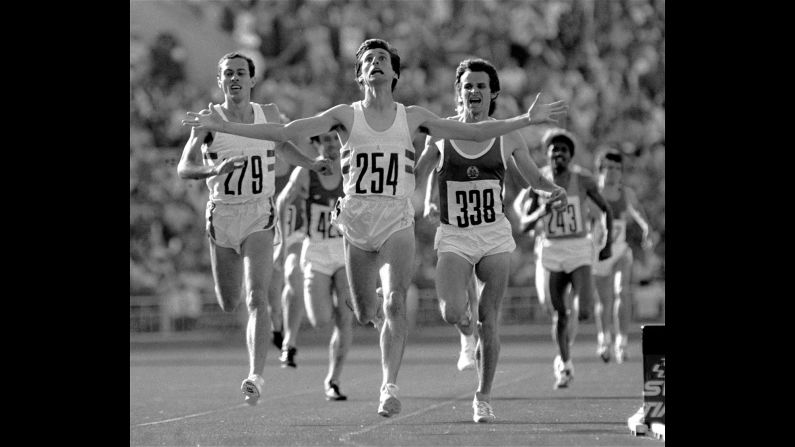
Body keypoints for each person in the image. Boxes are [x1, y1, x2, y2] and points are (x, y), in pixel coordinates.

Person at [183, 39, 568, 416]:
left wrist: (524, 121)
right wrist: (226, 128)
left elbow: (476, 133)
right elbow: (285, 134)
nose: (376, 63)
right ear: (360, 75)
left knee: (394, 300)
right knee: (366, 311)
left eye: (383, 58)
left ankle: (389, 387)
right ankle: (379, 315)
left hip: (397, 217)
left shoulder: (413, 116)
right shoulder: (345, 115)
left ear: (394, 72)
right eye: (369, 60)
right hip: (356, 220)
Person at [415, 58, 567, 423]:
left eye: (481, 86)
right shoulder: (442, 132)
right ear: (459, 92)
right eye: (468, 86)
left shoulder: (507, 135)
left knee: (490, 319)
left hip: (494, 235)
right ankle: (464, 333)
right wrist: (424, 200)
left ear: (492, 93)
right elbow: (418, 172)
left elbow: (533, 178)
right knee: (452, 311)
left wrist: (553, 190)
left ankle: (482, 396)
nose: (474, 92)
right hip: (454, 234)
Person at [176, 52, 332, 406]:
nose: (234, 79)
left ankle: (255, 376)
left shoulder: (270, 114)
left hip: (259, 214)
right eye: (227, 73)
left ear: (251, 80)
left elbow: (282, 145)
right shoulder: (209, 121)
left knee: (256, 296)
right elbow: (185, 167)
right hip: (223, 216)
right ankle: (261, 330)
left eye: (240, 73)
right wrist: (213, 171)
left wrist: (312, 164)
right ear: (220, 81)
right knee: (230, 302)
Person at [514, 128, 613, 389]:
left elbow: (606, 210)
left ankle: (567, 353)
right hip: (552, 251)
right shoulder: (538, 181)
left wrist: (607, 243)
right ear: (547, 154)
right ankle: (564, 364)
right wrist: (542, 211)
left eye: (563, 150)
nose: (558, 153)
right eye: (553, 149)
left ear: (571, 156)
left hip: (579, 249)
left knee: (584, 312)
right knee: (559, 314)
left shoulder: (583, 180)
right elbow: (523, 224)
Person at [277, 132, 353, 400]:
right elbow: (282, 201)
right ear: (317, 145)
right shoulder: (305, 173)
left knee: (345, 319)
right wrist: (282, 243)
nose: (332, 145)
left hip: (345, 252)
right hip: (317, 252)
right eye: (325, 141)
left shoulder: (351, 169)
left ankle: (333, 379)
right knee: (320, 319)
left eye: (335, 139)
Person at [591, 147, 652, 363]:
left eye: (618, 168)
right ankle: (603, 340)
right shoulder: (592, 192)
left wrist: (647, 230)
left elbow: (640, 215)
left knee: (621, 291)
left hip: (620, 251)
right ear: (600, 169)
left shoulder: (626, 193)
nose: (614, 172)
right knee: (603, 300)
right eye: (609, 167)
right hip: (598, 254)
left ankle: (622, 342)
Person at [273, 149, 308, 368]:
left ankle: (289, 341)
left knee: (295, 276)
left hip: (294, 237)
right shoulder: (259, 170)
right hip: (266, 239)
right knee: (269, 301)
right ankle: (276, 329)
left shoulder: (299, 171)